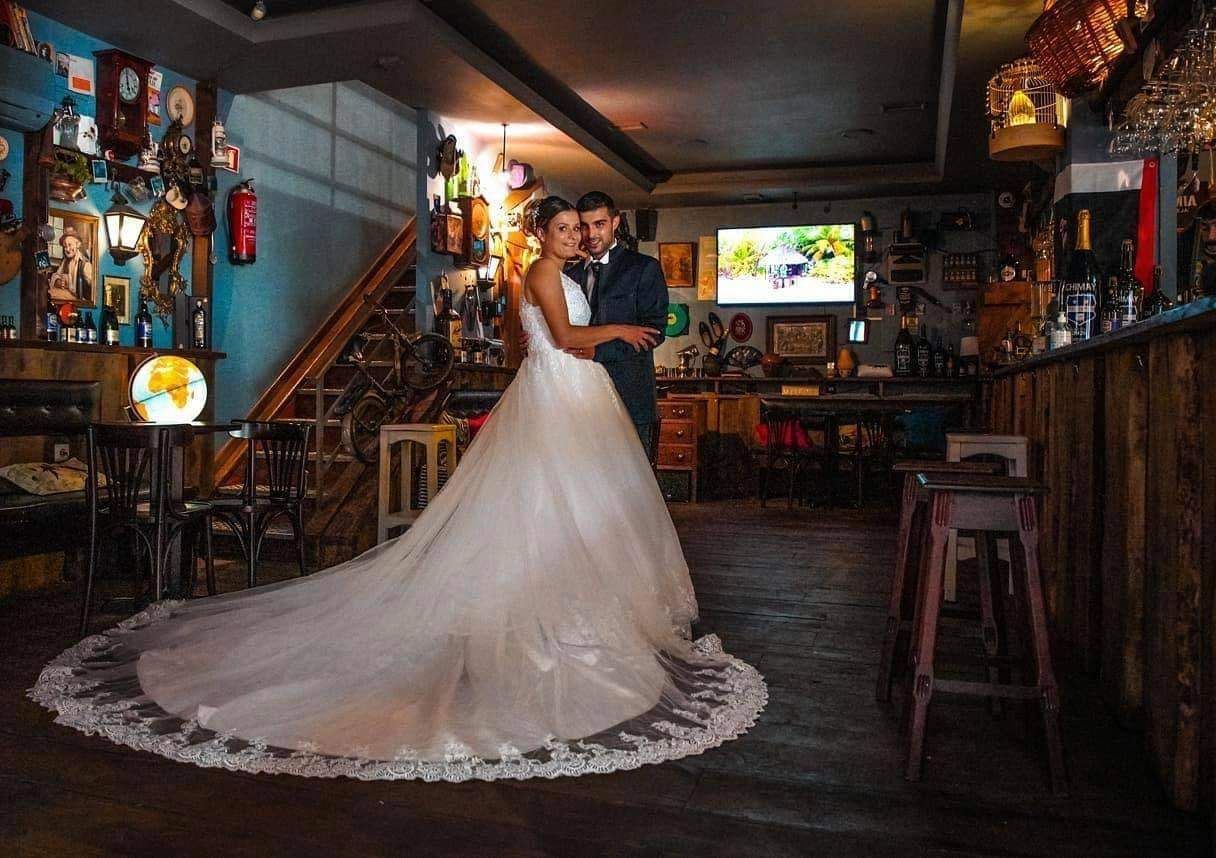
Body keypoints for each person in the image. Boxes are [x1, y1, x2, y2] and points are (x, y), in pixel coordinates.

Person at [31, 195, 766, 783]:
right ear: (542, 234)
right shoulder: (541, 274)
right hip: (561, 389)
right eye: (564, 227)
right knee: (546, 505)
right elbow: (569, 341)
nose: (574, 237)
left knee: (578, 510)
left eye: (579, 228)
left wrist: (605, 335)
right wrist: (618, 335)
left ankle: (574, 613)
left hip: (577, 398)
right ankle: (542, 625)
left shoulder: (569, 274)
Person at [564, 191, 668, 461]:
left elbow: (653, 334)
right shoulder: (569, 276)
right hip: (579, 399)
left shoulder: (644, 268)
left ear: (615, 223)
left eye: (599, 224)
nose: (591, 234)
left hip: (629, 396)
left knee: (633, 486)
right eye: (584, 226)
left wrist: (599, 352)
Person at [48, 226, 92, 303]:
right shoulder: (65, 261)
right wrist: (58, 281)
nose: (67, 249)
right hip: (66, 297)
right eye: (65, 246)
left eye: (70, 245)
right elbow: (57, 275)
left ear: (78, 245)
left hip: (77, 300)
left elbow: (93, 289)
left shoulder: (85, 264)